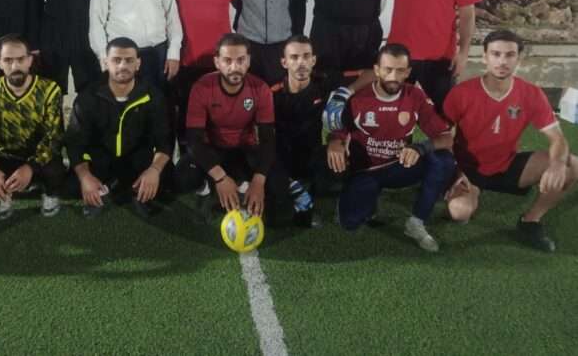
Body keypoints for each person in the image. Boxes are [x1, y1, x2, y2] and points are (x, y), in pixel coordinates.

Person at [444, 30, 578, 252]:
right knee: (460, 213)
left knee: (571, 165)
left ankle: (530, 220)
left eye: (509, 55)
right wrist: (456, 171)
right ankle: (470, 191)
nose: (502, 61)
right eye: (496, 54)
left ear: (519, 58)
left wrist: (556, 164)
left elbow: (557, 138)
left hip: (507, 165)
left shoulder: (531, 94)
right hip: (469, 169)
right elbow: (443, 137)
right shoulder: (462, 93)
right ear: (485, 57)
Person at [327, 43, 455, 252]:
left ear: (408, 72)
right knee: (349, 222)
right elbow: (338, 130)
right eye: (388, 70)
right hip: (366, 170)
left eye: (400, 70)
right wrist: (335, 142)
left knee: (443, 160)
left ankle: (416, 223)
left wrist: (420, 148)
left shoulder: (415, 96)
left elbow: (446, 137)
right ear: (377, 70)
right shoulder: (359, 98)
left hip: (400, 165)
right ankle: (364, 198)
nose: (393, 77)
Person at [177, 33, 290, 222]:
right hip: (213, 149)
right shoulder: (202, 87)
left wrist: (259, 180)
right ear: (217, 62)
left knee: (279, 192)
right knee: (182, 178)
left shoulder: (261, 89)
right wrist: (220, 177)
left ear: (249, 61)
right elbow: (193, 140)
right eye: (227, 60)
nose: (234, 67)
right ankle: (209, 186)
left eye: (240, 60)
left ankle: (243, 182)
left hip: (245, 149)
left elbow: (268, 139)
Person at [66, 37, 172, 218]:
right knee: (70, 185)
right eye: (116, 60)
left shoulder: (153, 96)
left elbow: (165, 142)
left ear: (138, 64)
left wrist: (154, 171)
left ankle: (127, 190)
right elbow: (75, 143)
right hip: (100, 161)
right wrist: (85, 177)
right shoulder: (87, 97)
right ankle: (111, 189)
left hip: (138, 161)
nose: (123, 66)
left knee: (171, 179)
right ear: (105, 62)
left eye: (129, 60)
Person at [0, 34, 65, 220]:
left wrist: (30, 167)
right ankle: (5, 191)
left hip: (37, 160)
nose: (15, 66)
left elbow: (54, 137)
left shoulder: (50, 90)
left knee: (56, 171)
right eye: (8, 60)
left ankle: (47, 191)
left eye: (20, 59)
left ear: (30, 60)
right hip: (4, 156)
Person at [172, 0, 239, 147]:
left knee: (217, 124)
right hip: (186, 60)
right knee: (186, 124)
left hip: (220, 62)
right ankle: (187, 164)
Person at [270, 35, 336, 227]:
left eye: (306, 56)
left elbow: (367, 74)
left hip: (311, 156)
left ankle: (318, 197)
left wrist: (336, 139)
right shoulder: (272, 93)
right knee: (279, 218)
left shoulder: (323, 87)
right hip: (282, 160)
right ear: (284, 62)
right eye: (294, 57)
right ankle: (292, 189)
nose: (301, 63)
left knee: (337, 164)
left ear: (313, 60)